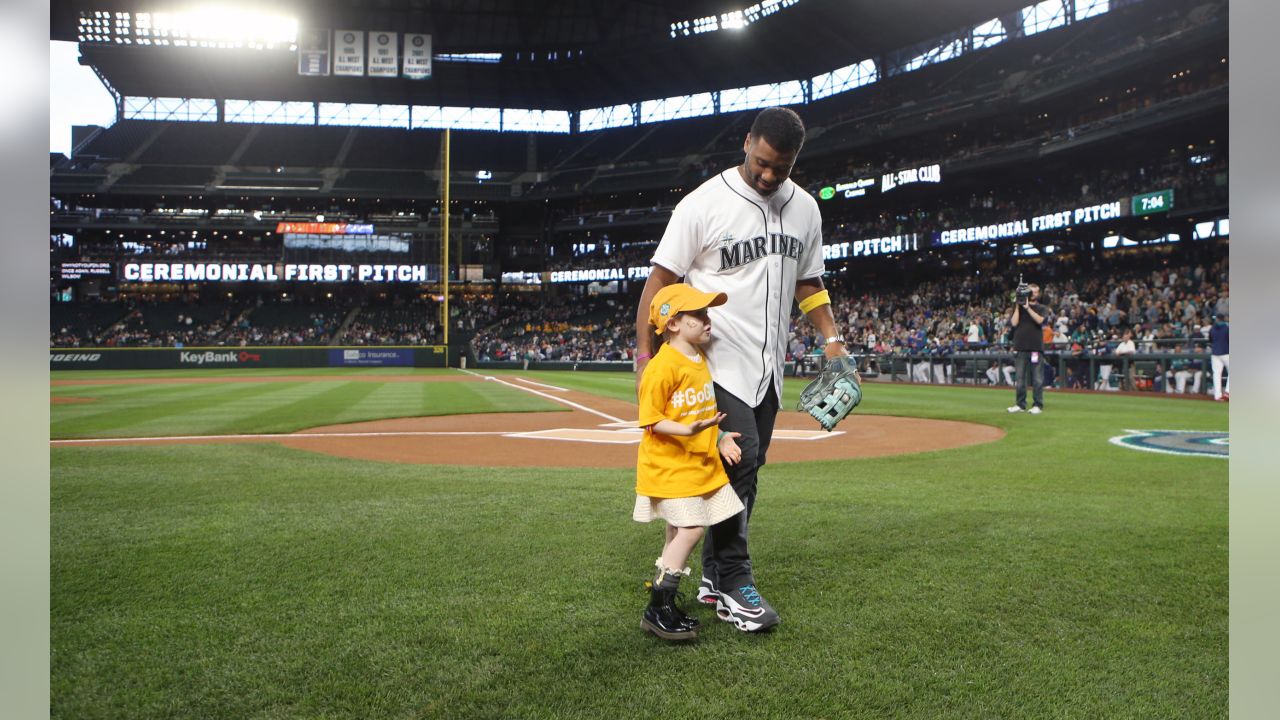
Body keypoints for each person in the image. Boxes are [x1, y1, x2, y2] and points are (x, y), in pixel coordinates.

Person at [634, 106, 849, 633]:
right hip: (715, 363)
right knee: (740, 461)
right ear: (746, 142)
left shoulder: (806, 210)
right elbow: (659, 283)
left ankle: (709, 575)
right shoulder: (703, 203)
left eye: (782, 166)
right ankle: (734, 583)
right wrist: (644, 360)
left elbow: (809, 282)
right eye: (761, 162)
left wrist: (833, 339)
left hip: (769, 367)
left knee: (745, 472)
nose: (769, 175)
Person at [634, 283, 745, 641]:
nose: (707, 319)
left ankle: (663, 603)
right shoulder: (662, 365)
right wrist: (687, 430)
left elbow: (706, 412)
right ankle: (658, 605)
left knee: (675, 532)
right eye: (698, 314)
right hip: (669, 465)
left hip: (697, 463)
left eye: (706, 312)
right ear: (673, 323)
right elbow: (650, 419)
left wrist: (720, 436)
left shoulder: (699, 359)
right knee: (692, 529)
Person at [1007, 282, 1049, 414]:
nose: (1033, 294)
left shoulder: (1041, 308)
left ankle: (1037, 404)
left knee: (1037, 378)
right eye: (1031, 291)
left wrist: (1028, 308)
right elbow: (1014, 323)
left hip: (1035, 347)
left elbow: (1040, 321)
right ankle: (1020, 404)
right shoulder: (1018, 306)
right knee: (1020, 379)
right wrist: (1019, 306)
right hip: (1020, 346)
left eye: (1036, 292)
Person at [1209, 313, 1229, 401]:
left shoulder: (1212, 328)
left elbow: (1210, 340)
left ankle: (1217, 396)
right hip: (1226, 353)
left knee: (1216, 374)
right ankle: (1227, 392)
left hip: (1215, 353)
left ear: (1217, 319)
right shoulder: (1227, 327)